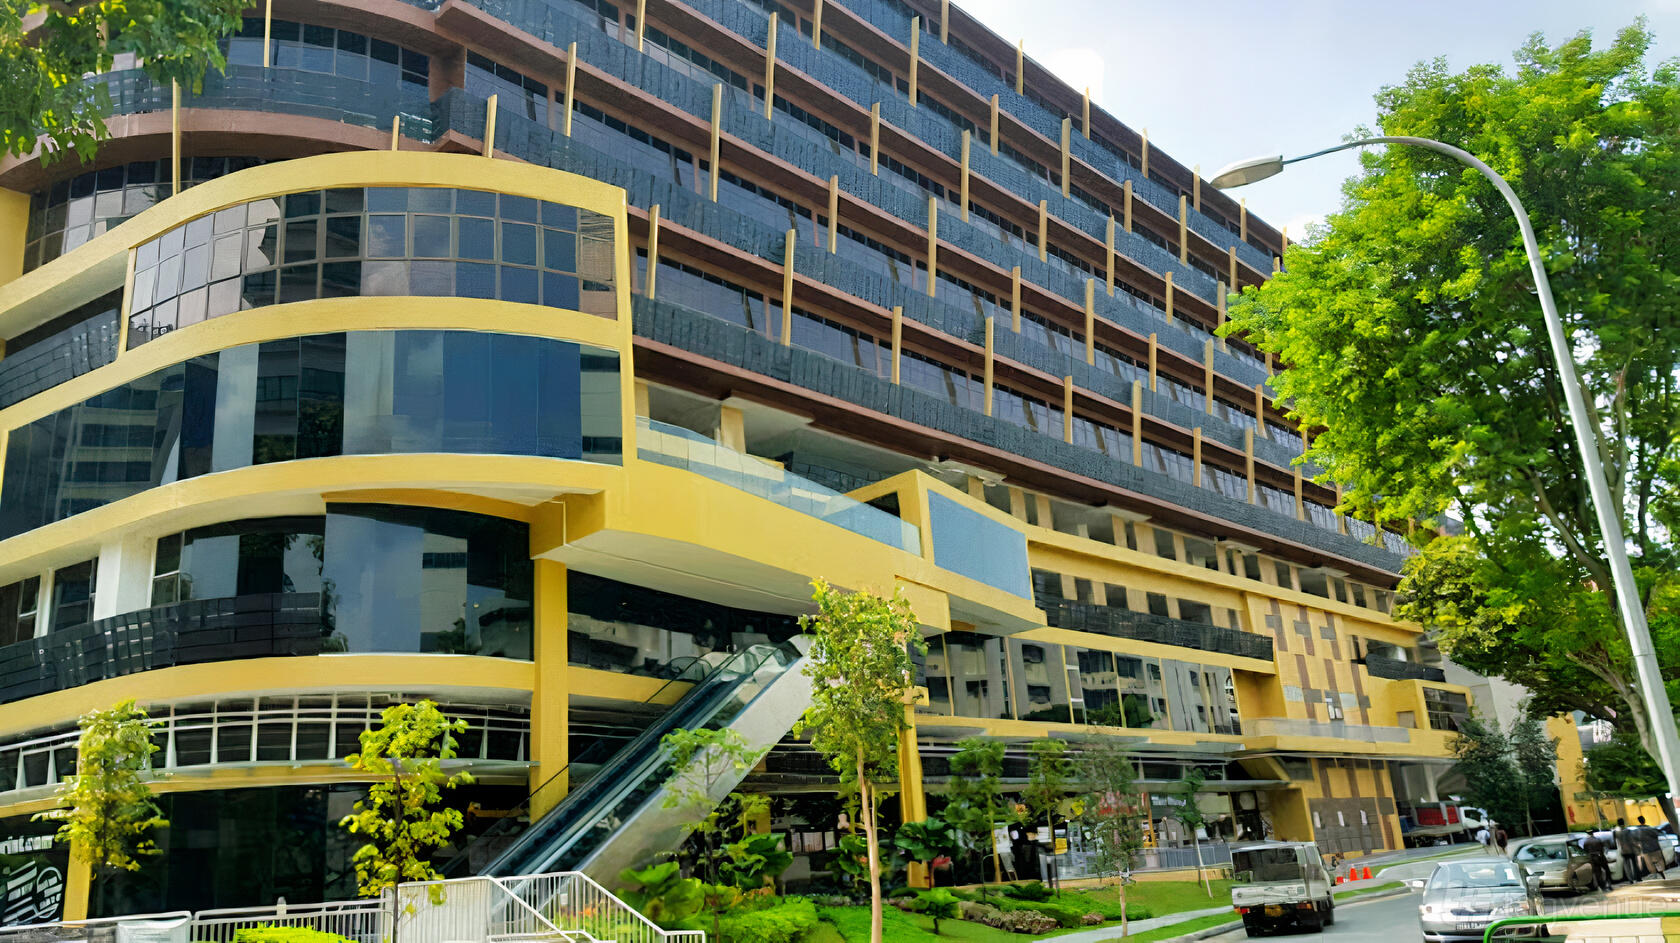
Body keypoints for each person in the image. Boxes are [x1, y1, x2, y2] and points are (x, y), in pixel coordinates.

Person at [1636, 816, 1668, 880]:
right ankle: (1663, 875)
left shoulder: (1637, 831)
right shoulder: (1650, 828)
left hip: (1646, 850)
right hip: (1655, 848)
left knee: (1650, 864)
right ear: (1644, 820)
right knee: (1659, 861)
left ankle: (1655, 877)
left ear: (1639, 821)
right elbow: (1659, 835)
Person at [1615, 818, 1644, 882]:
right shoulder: (1627, 830)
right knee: (1635, 864)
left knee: (1627, 866)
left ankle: (1630, 879)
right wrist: (1637, 846)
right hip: (1630, 849)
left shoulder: (1616, 832)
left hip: (1623, 850)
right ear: (1624, 822)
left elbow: (1617, 842)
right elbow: (1631, 840)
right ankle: (1638, 878)